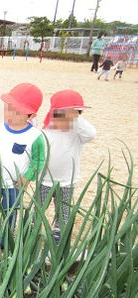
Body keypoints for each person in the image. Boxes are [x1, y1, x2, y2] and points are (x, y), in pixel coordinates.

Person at [0, 83, 45, 232]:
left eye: (17, 112)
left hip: (14, 185)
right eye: (8, 108)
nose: (10, 114)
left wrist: (27, 177)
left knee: (9, 213)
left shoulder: (35, 136)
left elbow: (38, 160)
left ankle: (6, 239)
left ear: (32, 115)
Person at [41, 90, 96, 243]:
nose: (66, 118)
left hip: (67, 180)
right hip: (44, 179)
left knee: (63, 210)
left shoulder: (77, 133)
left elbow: (91, 133)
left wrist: (74, 118)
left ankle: (59, 233)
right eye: (62, 114)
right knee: (39, 207)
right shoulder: (46, 130)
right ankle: (32, 227)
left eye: (74, 115)